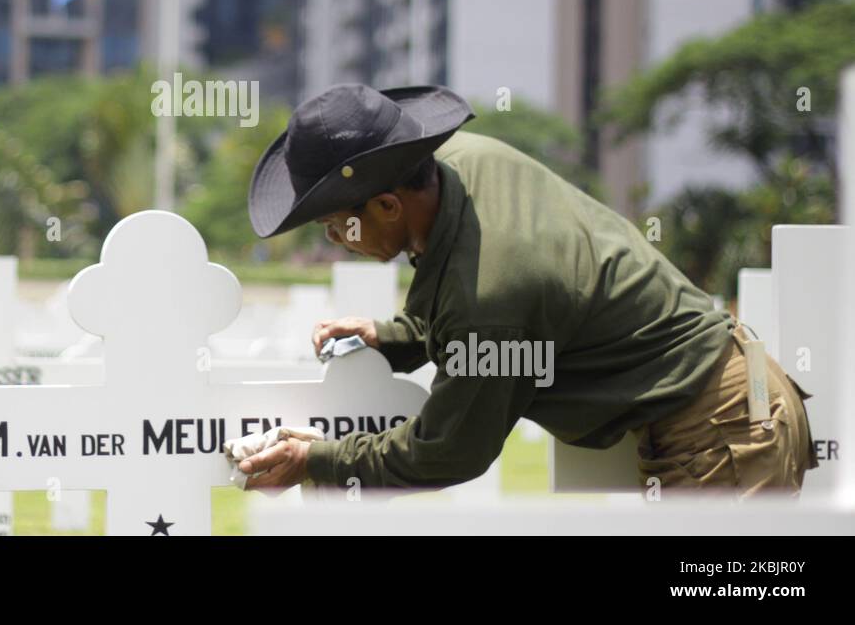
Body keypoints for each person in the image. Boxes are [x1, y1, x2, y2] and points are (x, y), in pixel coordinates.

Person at [238, 83, 818, 496]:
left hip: (723, 434)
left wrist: (314, 457)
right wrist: (395, 337)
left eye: (336, 224)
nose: (338, 240)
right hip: (732, 405)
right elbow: (524, 302)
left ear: (388, 205)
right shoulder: (463, 162)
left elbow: (448, 449)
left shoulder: (488, 297)